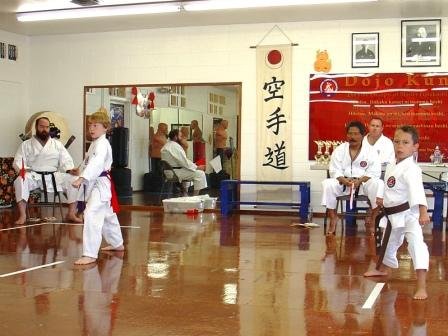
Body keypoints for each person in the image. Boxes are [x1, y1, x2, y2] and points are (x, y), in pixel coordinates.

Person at [364, 125, 430, 300]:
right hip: (392, 215)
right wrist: (381, 200)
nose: (400, 146)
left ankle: (421, 286)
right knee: (389, 244)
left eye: (405, 143)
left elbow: (418, 191)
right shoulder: (393, 164)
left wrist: (423, 211)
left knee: (416, 245)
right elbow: (389, 187)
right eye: (397, 141)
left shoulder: (412, 169)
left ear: (415, 147)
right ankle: (383, 269)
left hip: (409, 215)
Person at [72, 108, 124, 265]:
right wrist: (79, 169)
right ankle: (117, 244)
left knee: (91, 214)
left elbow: (97, 163)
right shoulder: (95, 144)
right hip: (96, 183)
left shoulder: (103, 144)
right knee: (108, 215)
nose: (91, 128)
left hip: (100, 184)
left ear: (105, 128)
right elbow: (89, 161)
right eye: (90, 125)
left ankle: (90, 253)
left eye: (96, 125)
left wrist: (82, 177)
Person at [13, 116, 81, 225]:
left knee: (75, 179)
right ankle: (23, 215)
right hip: (34, 175)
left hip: (54, 176)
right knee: (20, 180)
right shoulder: (26, 144)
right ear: (36, 127)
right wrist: (23, 170)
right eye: (41, 126)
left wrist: (70, 170)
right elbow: (18, 160)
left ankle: (71, 213)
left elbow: (66, 160)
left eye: (47, 127)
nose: (44, 129)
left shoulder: (57, 144)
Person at [321, 120, 383, 235]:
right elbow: (334, 169)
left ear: (362, 135)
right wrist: (343, 180)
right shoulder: (340, 150)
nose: (352, 137)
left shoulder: (370, 151)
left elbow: (374, 171)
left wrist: (361, 180)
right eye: (350, 133)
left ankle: (373, 219)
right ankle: (333, 218)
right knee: (327, 183)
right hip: (344, 183)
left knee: (378, 184)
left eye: (356, 134)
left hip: (363, 184)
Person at [161, 129, 207, 195]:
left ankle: (185, 194)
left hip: (169, 172)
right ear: (175, 137)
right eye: (180, 136)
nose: (181, 138)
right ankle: (195, 198)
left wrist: (193, 166)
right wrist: (197, 167)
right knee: (200, 174)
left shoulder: (167, 145)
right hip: (174, 173)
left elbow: (182, 162)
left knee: (187, 169)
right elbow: (183, 162)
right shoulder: (175, 146)